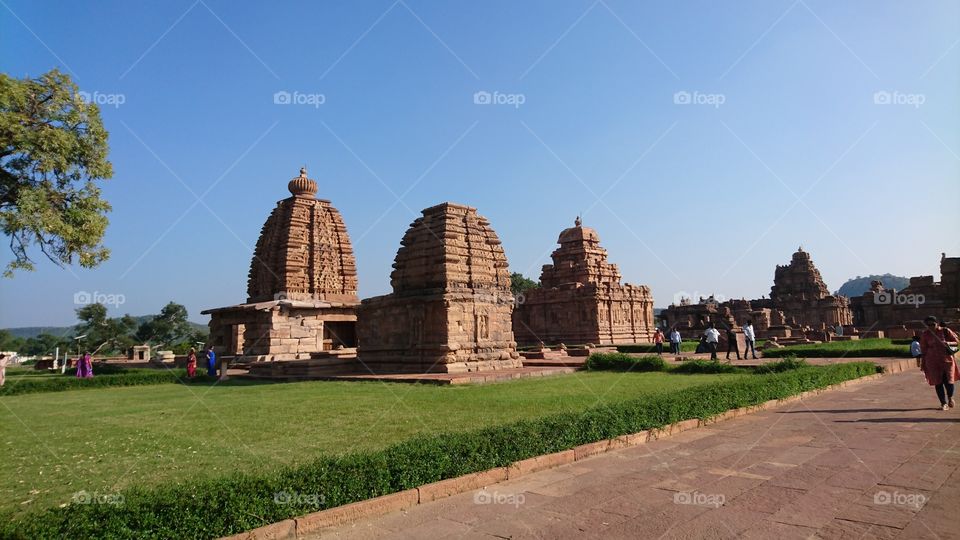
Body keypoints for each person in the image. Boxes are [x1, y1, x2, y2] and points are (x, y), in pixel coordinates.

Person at [918, 316, 959, 410]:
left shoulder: (945, 331)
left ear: (937, 323)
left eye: (933, 324)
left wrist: (948, 343)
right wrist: (923, 363)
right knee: (938, 382)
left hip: (947, 360)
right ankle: (943, 403)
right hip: (932, 361)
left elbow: (956, 342)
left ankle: (950, 397)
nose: (931, 326)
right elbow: (923, 350)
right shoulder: (925, 335)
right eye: (928, 325)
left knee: (949, 381)